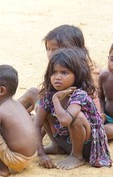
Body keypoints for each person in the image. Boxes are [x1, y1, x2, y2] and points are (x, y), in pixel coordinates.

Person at [23, 24, 103, 152]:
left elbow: (68, 116)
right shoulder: (62, 67)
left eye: (54, 49)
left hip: (82, 127)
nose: (50, 54)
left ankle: (76, 155)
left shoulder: (85, 76)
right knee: (38, 98)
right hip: (65, 116)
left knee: (42, 105)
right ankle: (6, 119)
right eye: (48, 49)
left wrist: (49, 103)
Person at [35, 48, 112, 170]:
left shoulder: (79, 94)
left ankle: (77, 156)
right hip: (66, 140)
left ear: (77, 75)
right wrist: (41, 154)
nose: (57, 77)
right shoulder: (49, 94)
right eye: (54, 73)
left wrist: (56, 99)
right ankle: (56, 146)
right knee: (41, 107)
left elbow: (65, 120)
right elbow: (36, 125)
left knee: (77, 118)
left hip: (88, 145)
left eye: (64, 73)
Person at [0, 65, 37, 177]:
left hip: (17, 160)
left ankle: (2, 168)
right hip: (32, 155)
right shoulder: (17, 104)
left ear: (1, 90)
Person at [98, 43, 113, 140]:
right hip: (107, 117)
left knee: (107, 131)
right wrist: (101, 114)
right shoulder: (104, 76)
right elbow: (100, 98)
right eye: (112, 59)